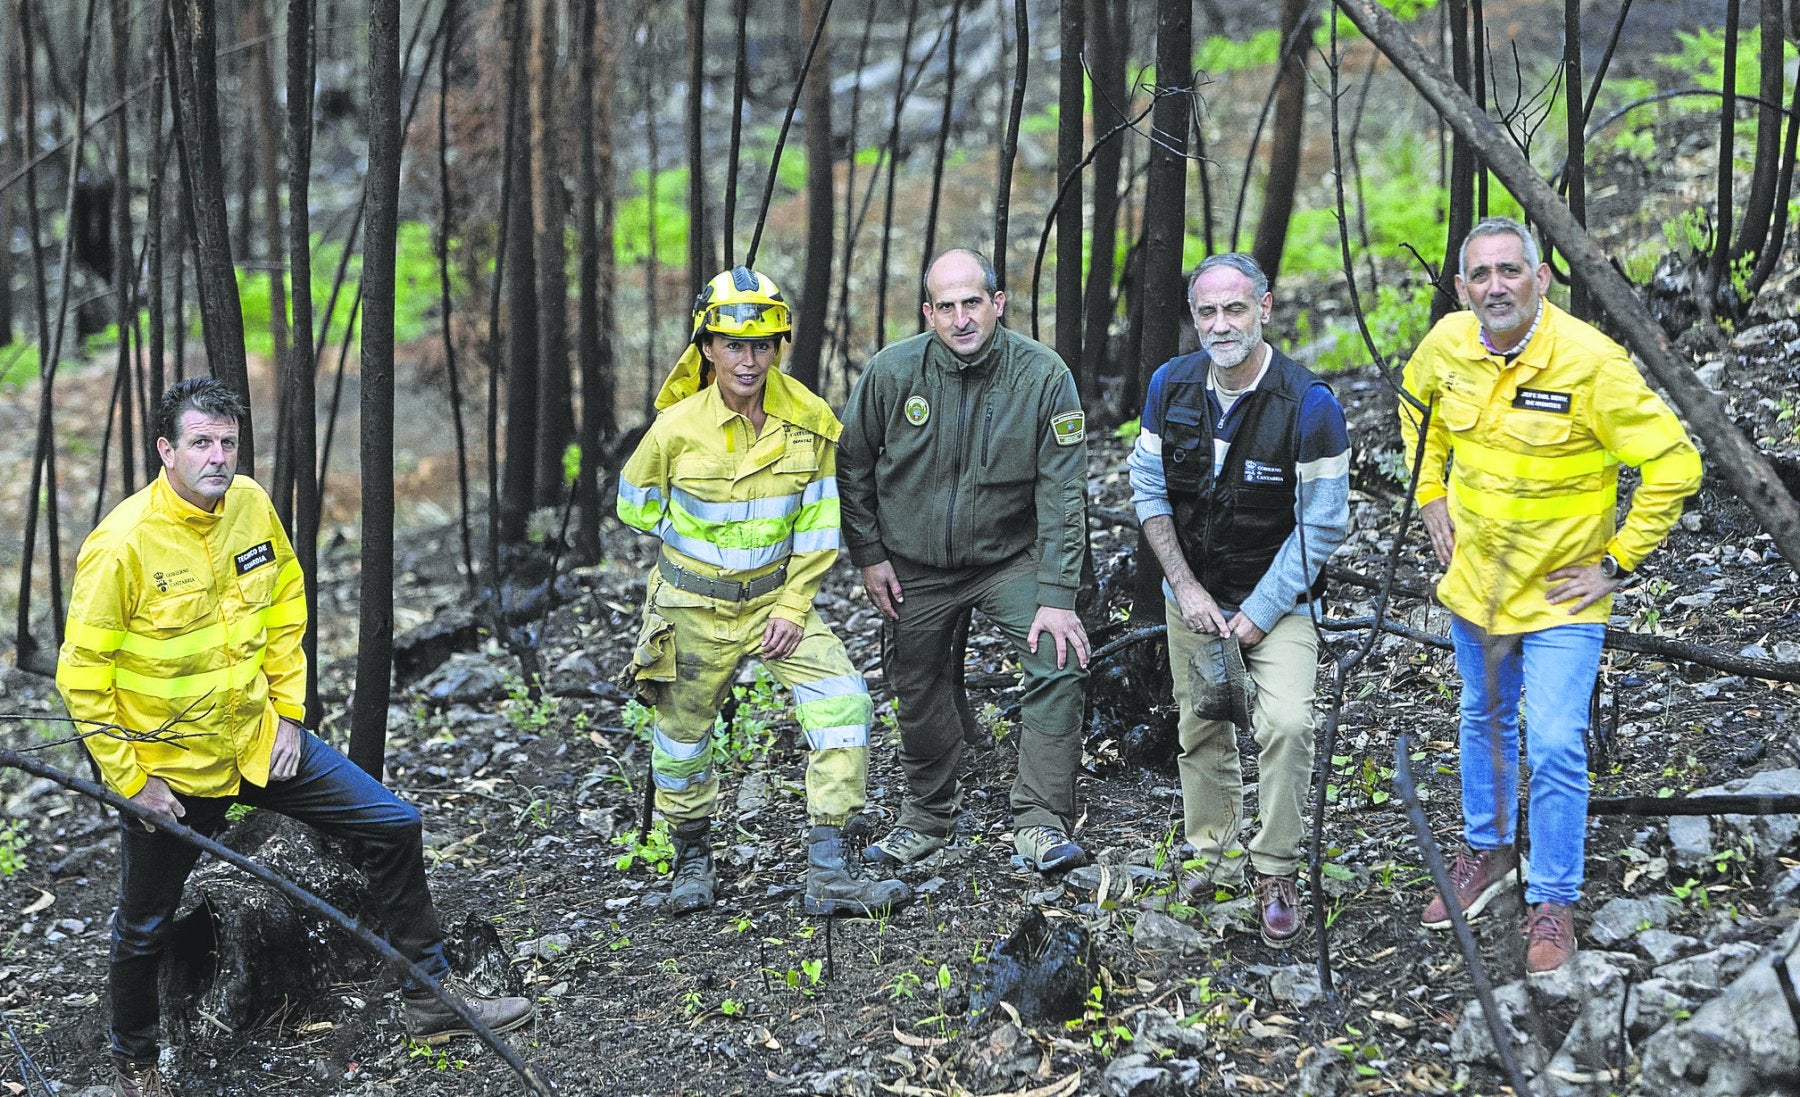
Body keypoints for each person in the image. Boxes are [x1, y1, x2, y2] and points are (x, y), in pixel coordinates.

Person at [56, 378, 531, 1097]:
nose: (218, 457)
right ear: (165, 450)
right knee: (143, 924)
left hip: (257, 739)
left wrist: (286, 711)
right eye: (201, 443)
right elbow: (81, 675)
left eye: (228, 442)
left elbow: (285, 605)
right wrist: (132, 781)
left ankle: (432, 997)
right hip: (171, 773)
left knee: (394, 822)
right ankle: (136, 1064)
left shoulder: (249, 505)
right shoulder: (122, 542)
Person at [1400, 217, 1701, 974]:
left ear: (1540, 278)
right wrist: (1429, 491)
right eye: (1481, 274)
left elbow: (1674, 463)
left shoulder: (1589, 362)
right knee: (1484, 716)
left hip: (1564, 595)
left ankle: (1554, 900)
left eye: (1510, 270)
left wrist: (1618, 562)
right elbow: (1415, 405)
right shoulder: (1447, 345)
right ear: (1464, 288)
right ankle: (1490, 853)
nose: (1495, 285)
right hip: (1477, 587)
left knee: (1559, 742)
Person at [616, 265, 911, 919]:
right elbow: (633, 505)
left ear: (778, 345)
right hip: (690, 608)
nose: (747, 359)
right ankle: (692, 853)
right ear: (707, 347)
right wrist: (692, 561)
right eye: (732, 343)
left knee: (843, 701)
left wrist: (789, 604)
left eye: (761, 343)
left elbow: (818, 525)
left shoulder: (809, 420)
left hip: (777, 603)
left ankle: (830, 867)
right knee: (682, 737)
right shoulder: (674, 428)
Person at [838, 247, 1091, 872]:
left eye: (972, 302)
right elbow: (852, 464)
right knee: (915, 681)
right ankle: (926, 815)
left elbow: (1063, 492)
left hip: (1008, 558)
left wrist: (1057, 596)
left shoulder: (1043, 377)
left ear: (998, 304)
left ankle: (1040, 818)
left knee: (1058, 658)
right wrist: (870, 556)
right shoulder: (893, 374)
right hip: (915, 565)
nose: (960, 319)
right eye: (945, 307)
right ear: (928, 313)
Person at [1127, 253, 1351, 947]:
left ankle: (1276, 867)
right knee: (1201, 722)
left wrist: (1257, 612)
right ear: (1193, 317)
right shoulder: (1170, 385)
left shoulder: (1311, 405)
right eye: (1207, 312)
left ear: (1265, 308)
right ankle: (1214, 855)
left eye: (1234, 309)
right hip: (1193, 593)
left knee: (1285, 722)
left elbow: (1323, 524)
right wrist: (1187, 588)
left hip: (1278, 599)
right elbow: (1148, 490)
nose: (1220, 324)